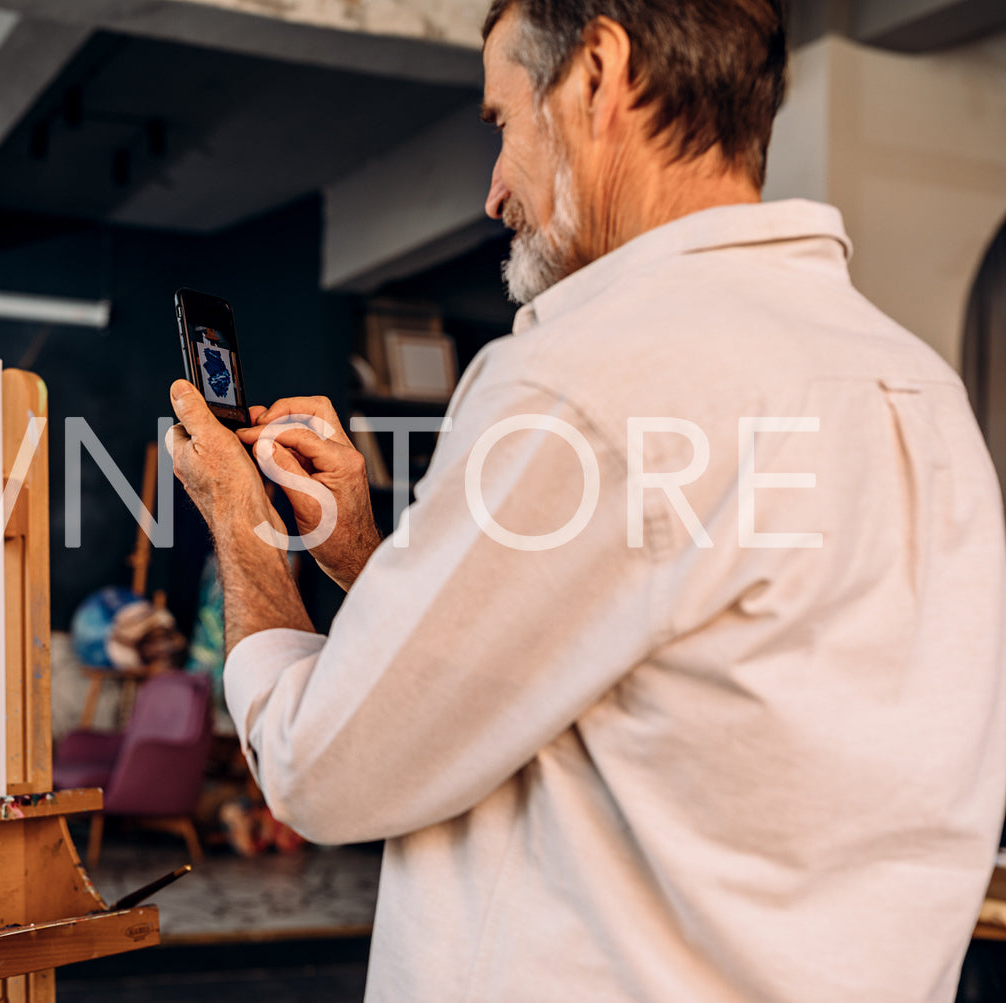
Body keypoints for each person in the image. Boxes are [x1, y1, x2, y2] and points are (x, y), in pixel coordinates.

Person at [165, 0, 1006, 999]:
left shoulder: (586, 379)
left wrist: (241, 523)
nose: (492, 191)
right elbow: (629, 655)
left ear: (598, 74)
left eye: (500, 122)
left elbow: (319, 770)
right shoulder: (915, 387)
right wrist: (366, 555)